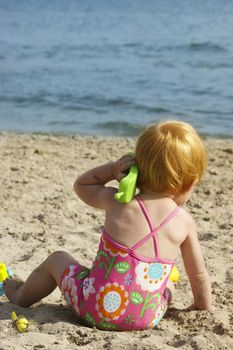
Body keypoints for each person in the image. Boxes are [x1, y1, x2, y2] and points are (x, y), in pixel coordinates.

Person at [3, 120, 212, 331]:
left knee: (57, 259)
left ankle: (20, 296)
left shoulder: (118, 201)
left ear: (138, 169)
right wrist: (202, 307)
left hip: (93, 309)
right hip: (146, 318)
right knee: (167, 283)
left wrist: (113, 170)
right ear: (188, 182)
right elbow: (198, 275)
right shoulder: (184, 222)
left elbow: (82, 185)